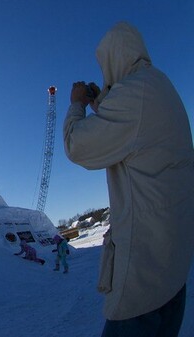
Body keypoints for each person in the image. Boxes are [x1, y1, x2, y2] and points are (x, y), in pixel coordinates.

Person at [63, 22, 194, 336]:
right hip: (171, 270)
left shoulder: (135, 94)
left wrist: (77, 104)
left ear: (112, 58)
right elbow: (129, 125)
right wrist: (101, 99)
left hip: (142, 279)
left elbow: (76, 145)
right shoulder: (158, 85)